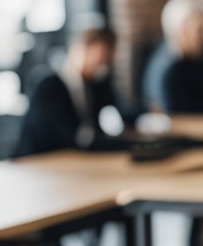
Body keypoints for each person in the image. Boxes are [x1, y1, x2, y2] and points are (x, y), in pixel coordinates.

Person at [15, 26, 131, 157]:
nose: (102, 67)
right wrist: (124, 145)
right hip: (36, 164)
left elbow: (119, 110)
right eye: (99, 59)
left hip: (68, 163)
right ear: (80, 50)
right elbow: (73, 139)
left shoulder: (93, 86)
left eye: (106, 62)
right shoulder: (50, 88)